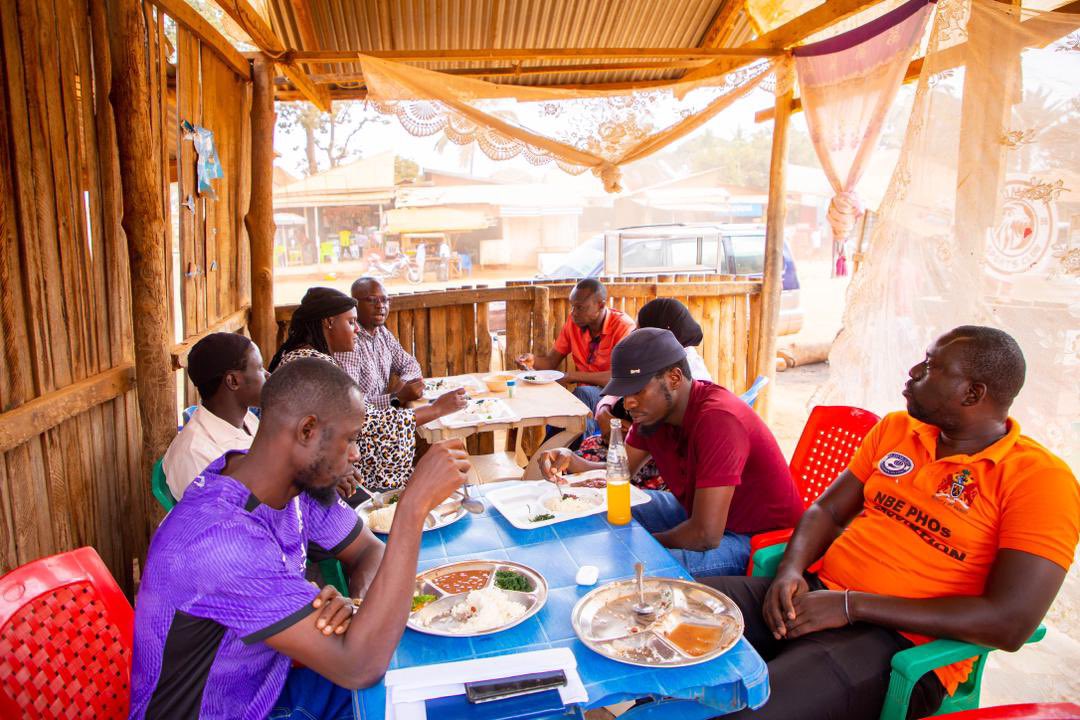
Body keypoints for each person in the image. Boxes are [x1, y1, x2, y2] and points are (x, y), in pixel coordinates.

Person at [703, 326, 1080, 720]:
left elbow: (1010, 623)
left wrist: (852, 607)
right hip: (816, 596)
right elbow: (827, 511)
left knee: (749, 714)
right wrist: (790, 570)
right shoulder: (897, 430)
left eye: (931, 366)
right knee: (656, 614)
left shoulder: (1038, 479)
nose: (914, 371)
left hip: (899, 643)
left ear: (973, 393)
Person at [128, 358, 471, 719]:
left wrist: (357, 607)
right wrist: (412, 509)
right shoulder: (219, 540)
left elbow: (370, 551)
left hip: (268, 690)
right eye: (349, 439)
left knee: (424, 689)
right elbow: (358, 666)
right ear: (307, 430)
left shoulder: (290, 485)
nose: (356, 453)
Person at [540, 328, 802, 578]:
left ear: (674, 378)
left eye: (638, 390)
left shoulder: (718, 420)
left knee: (634, 568)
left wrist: (641, 544)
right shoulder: (652, 414)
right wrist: (573, 460)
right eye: (624, 392)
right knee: (601, 510)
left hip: (758, 541)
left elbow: (705, 535)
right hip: (696, 513)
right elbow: (618, 475)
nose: (628, 403)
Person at [271, 287, 465, 494]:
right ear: (328, 322)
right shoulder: (314, 367)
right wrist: (436, 409)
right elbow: (367, 422)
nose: (357, 330)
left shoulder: (307, 358)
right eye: (351, 322)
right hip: (319, 478)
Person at [578, 298, 713, 491]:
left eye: (641, 329)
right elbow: (617, 393)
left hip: (655, 463)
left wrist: (627, 428)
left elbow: (706, 520)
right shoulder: (651, 403)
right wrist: (604, 410)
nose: (635, 334)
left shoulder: (686, 381)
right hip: (635, 445)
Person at [162, 332, 268, 501]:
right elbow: (225, 519)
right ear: (233, 381)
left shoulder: (247, 419)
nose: (267, 375)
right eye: (260, 368)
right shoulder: (195, 454)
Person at [515, 278, 635, 423]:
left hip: (615, 398)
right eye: (572, 306)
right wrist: (532, 360)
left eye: (580, 307)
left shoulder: (624, 327)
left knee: (580, 398)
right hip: (584, 398)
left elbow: (619, 379)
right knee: (563, 407)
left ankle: (571, 444)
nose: (573, 313)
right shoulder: (574, 324)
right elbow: (550, 362)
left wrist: (572, 376)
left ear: (601, 305)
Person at [335, 277, 424, 409]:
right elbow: (353, 407)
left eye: (385, 300)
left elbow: (410, 364)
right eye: (372, 300)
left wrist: (402, 385)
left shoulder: (382, 333)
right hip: (362, 425)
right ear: (355, 304)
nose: (380, 305)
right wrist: (398, 397)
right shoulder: (348, 341)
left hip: (383, 417)